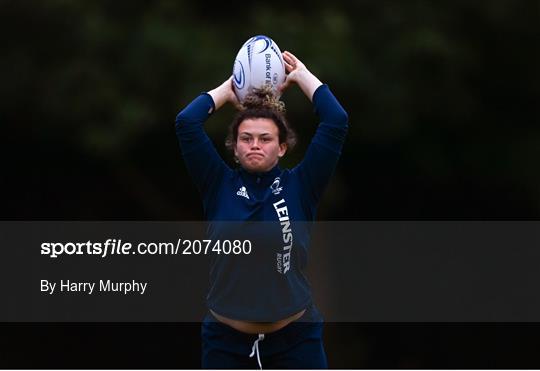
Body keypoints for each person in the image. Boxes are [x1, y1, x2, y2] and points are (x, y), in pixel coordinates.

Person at [175, 51, 349, 369]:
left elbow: (336, 120)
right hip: (226, 344)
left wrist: (302, 75)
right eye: (246, 138)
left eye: (265, 138)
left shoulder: (302, 185)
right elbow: (186, 122)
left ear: (282, 147)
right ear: (235, 148)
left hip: (296, 342)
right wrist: (230, 89)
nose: (255, 144)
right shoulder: (217, 183)